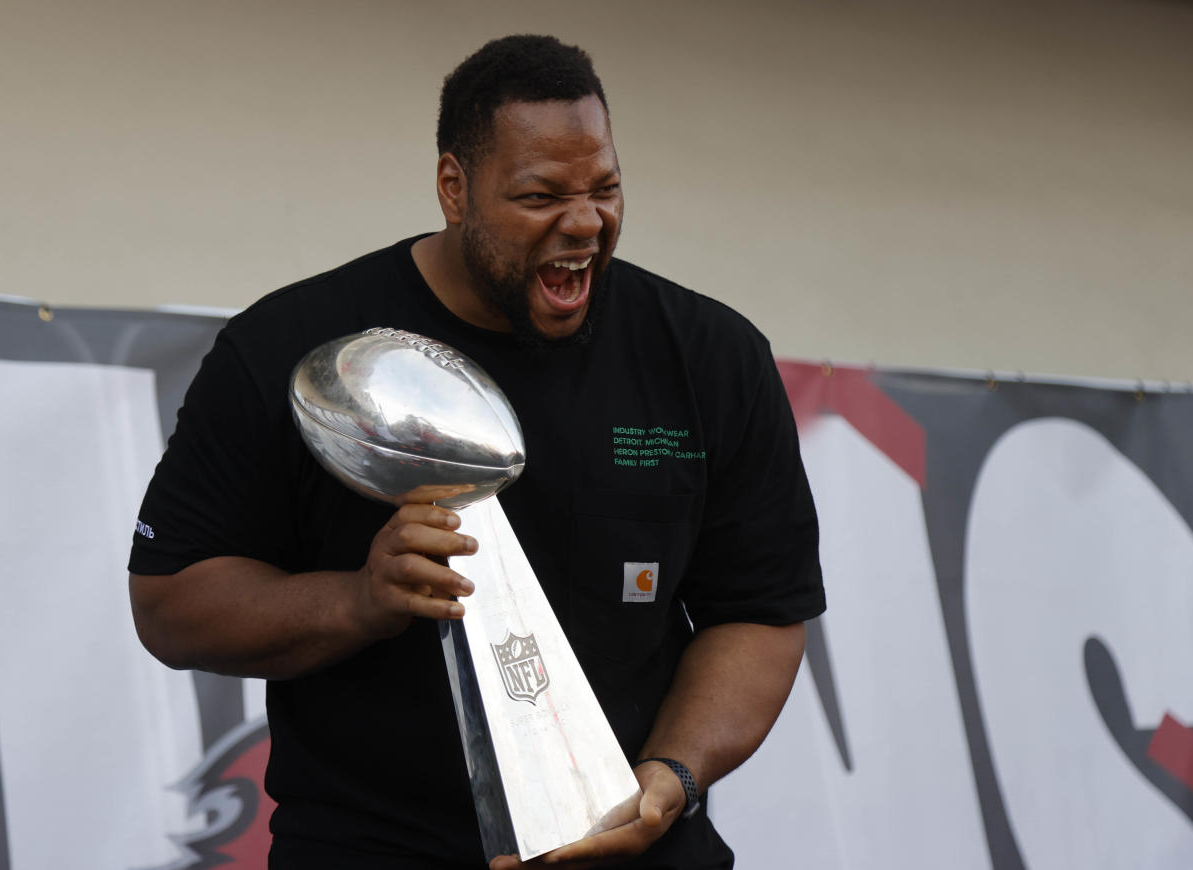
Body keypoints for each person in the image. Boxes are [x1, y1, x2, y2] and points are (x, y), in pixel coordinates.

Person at [129, 34, 824, 870]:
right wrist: (359, 599)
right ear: (453, 187)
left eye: (605, 188)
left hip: (640, 846)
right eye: (539, 196)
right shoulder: (291, 349)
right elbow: (169, 603)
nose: (584, 223)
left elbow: (761, 612)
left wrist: (670, 775)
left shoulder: (708, 356)